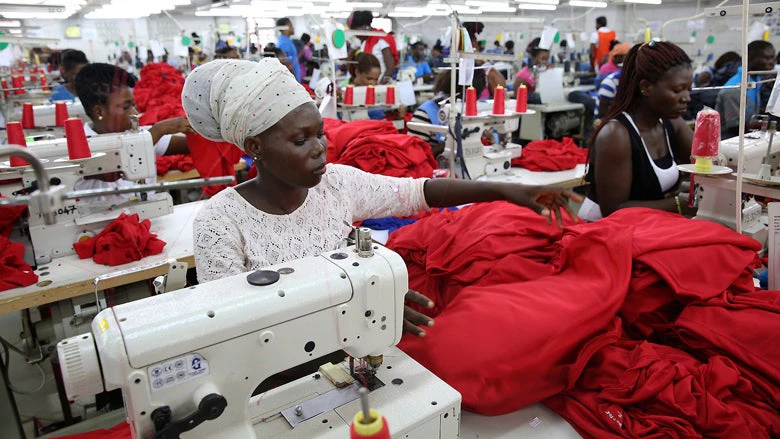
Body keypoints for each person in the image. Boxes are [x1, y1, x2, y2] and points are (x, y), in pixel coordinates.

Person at [184, 59, 580, 336]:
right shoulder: (220, 223)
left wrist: (503, 189)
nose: (321, 148)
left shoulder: (335, 185)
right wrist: (358, 309)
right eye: (301, 140)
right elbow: (234, 328)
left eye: (320, 134)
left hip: (349, 347)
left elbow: (416, 193)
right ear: (256, 146)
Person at [579, 41, 695, 222]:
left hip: (646, 226)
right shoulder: (615, 135)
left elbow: (707, 165)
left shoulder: (672, 123)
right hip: (601, 230)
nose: (687, 98)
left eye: (689, 89)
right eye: (677, 90)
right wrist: (679, 203)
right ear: (645, 87)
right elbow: (614, 210)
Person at [73, 63, 193, 200]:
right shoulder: (80, 148)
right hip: (104, 220)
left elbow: (191, 145)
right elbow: (113, 170)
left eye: (133, 105)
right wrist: (161, 129)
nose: (135, 113)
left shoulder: (140, 134)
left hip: (146, 217)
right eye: (126, 107)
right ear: (99, 111)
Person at [718, 40, 776, 136]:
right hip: (729, 143)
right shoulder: (734, 89)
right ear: (750, 58)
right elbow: (735, 128)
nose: (772, 63)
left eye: (773, 58)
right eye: (767, 58)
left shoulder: (756, 80)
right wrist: (768, 124)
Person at [347, 10, 399, 84]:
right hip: (370, 85)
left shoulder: (381, 40)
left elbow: (390, 68)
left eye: (357, 31)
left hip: (381, 85)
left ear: (365, 27)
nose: (356, 35)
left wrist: (378, 85)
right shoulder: (364, 43)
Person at [276, 17, 301, 82]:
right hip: (291, 81)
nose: (293, 28)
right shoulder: (284, 44)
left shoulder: (288, 41)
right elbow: (285, 65)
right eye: (291, 25)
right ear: (286, 28)